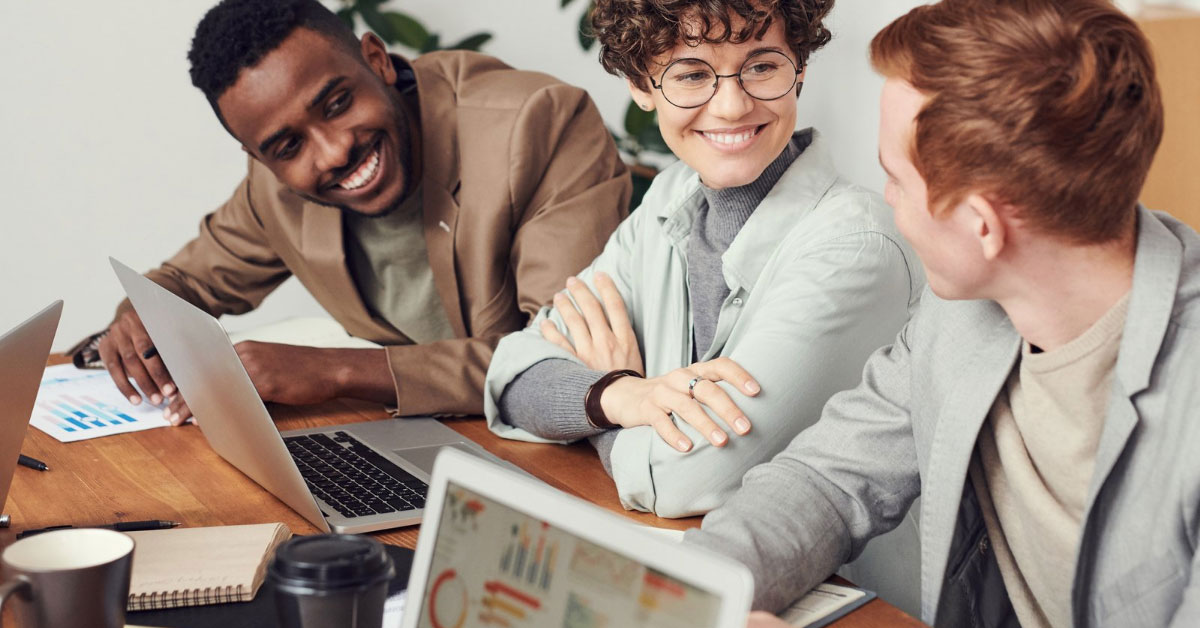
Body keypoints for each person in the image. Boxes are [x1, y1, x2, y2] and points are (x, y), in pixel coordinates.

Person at [685, 1, 1200, 626]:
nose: (886, 201)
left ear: (982, 227)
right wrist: (690, 594)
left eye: (896, 180)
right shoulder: (960, 313)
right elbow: (824, 482)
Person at [70, 0, 630, 422]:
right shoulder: (275, 188)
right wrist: (138, 320)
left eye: (338, 104)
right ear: (259, 157)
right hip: (427, 439)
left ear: (377, 60)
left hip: (558, 450)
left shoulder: (538, 123)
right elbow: (182, 282)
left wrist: (335, 369)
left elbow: (560, 361)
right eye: (288, 147)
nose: (334, 151)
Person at [484, 0, 923, 519]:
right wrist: (620, 394)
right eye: (691, 74)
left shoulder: (856, 249)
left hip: (844, 593)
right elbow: (512, 378)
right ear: (641, 87)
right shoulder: (670, 196)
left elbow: (679, 482)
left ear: (799, 68)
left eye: (762, 66)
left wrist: (597, 410)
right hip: (682, 563)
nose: (733, 106)